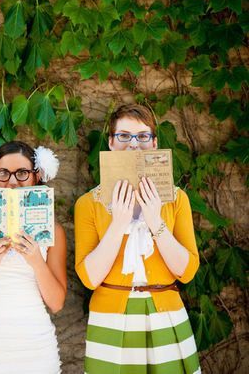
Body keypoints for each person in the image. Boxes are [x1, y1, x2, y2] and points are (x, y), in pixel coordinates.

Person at [74, 104, 201, 373]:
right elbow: (89, 278)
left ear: (154, 143)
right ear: (110, 142)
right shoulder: (88, 203)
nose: (134, 145)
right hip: (110, 319)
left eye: (143, 136)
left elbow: (187, 271)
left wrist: (155, 221)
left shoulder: (177, 199)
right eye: (124, 136)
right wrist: (118, 223)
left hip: (166, 315)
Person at [0, 141, 66, 374]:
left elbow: (56, 303)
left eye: (22, 173)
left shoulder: (53, 230)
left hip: (36, 343)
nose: (13, 181)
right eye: (4, 173)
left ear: (36, 177)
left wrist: (36, 260)